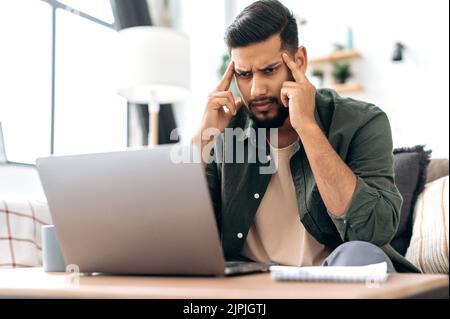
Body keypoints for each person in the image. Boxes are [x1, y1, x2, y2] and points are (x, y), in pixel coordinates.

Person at [193, 0, 418, 273]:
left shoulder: (363, 121)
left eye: (269, 70)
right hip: (251, 282)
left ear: (298, 61)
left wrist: (308, 128)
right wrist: (202, 139)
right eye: (243, 74)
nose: (256, 89)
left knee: (360, 255)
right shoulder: (226, 130)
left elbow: (371, 232)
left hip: (335, 278)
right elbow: (180, 234)